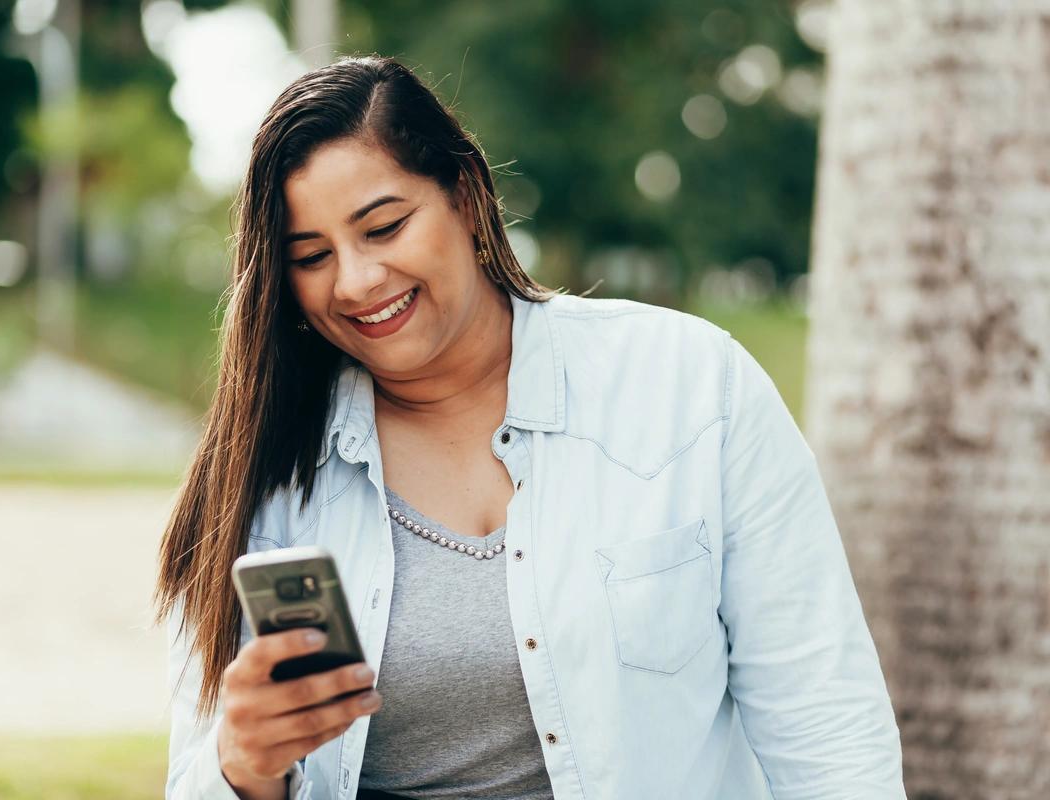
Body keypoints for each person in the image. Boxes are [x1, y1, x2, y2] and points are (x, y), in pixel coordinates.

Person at [156, 55, 905, 800]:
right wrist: (244, 767)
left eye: (383, 228)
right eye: (311, 256)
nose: (354, 282)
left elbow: (823, 714)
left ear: (466, 193)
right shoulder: (267, 470)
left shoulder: (691, 382)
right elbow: (196, 777)